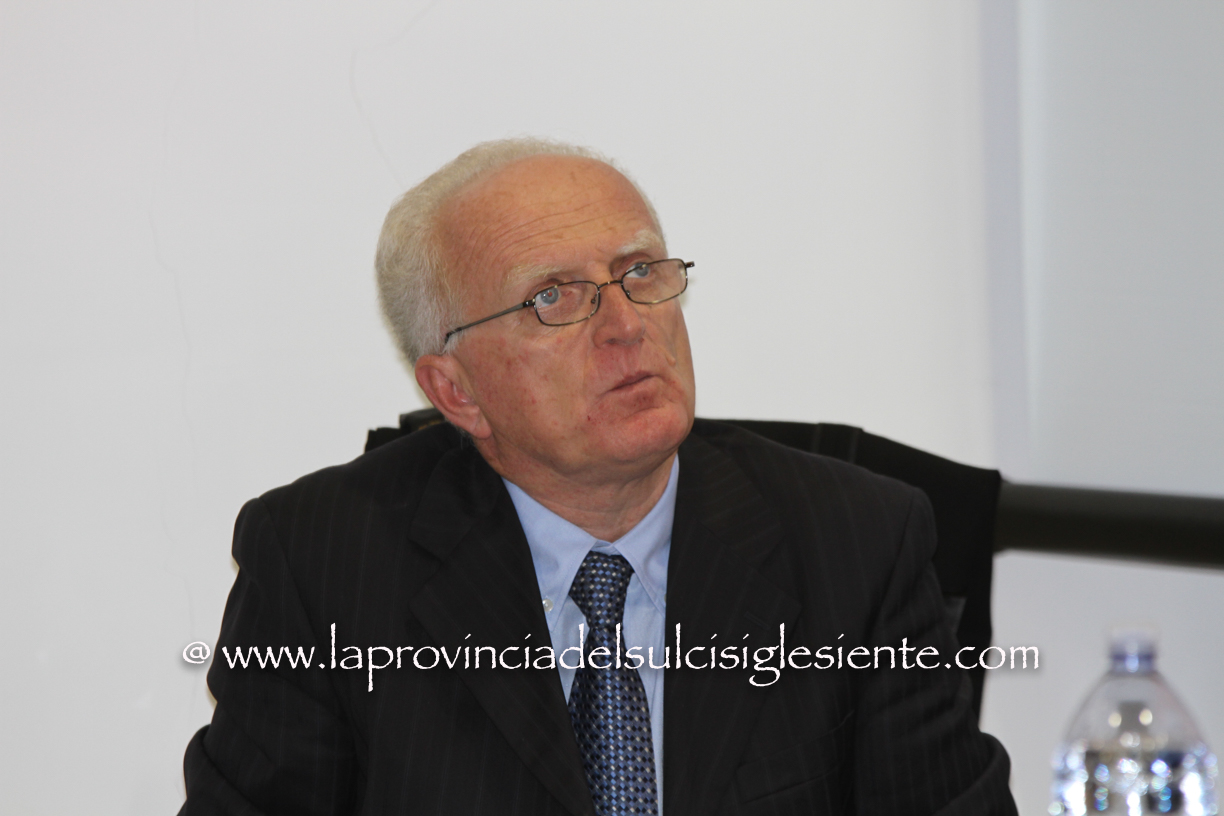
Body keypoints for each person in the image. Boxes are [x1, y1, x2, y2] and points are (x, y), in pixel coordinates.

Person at [180, 138, 1017, 815]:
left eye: (641, 273)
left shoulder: (856, 542)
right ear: (456, 391)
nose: (626, 325)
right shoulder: (323, 563)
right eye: (553, 297)